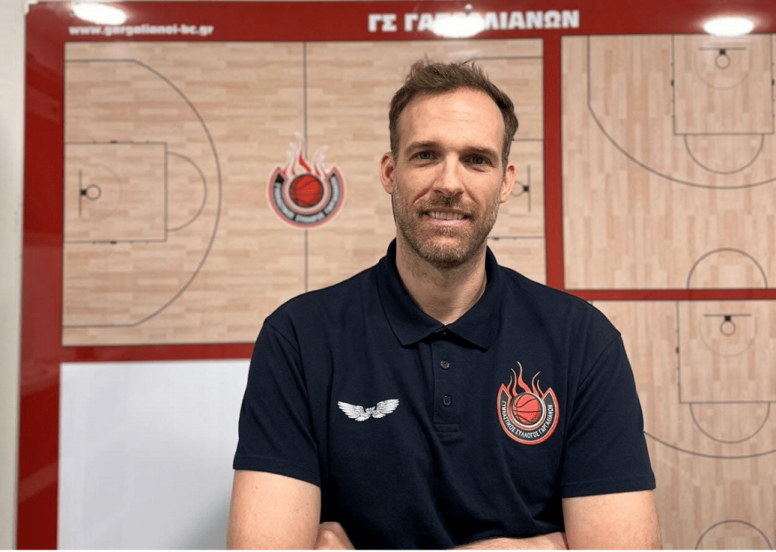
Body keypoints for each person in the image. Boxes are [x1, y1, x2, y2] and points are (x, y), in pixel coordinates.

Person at [227, 60, 661, 550]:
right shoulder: (299, 339)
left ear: (505, 182)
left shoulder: (582, 340)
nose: (450, 183)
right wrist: (535, 546)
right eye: (426, 155)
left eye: (476, 160)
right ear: (390, 172)